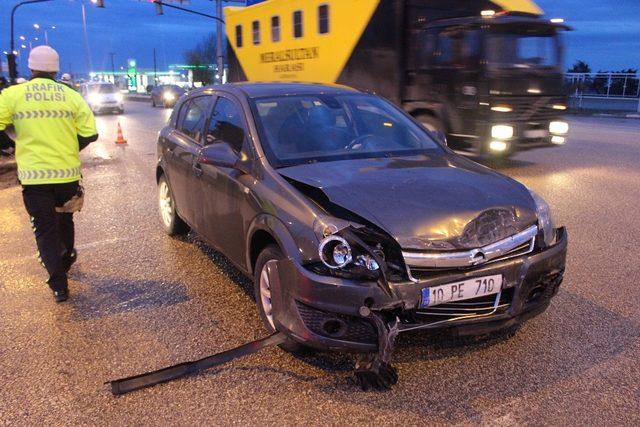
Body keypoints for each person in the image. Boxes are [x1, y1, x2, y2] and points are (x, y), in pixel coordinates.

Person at [0, 46, 98, 302]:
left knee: (44, 230)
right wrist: (69, 146)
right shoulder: (70, 95)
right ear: (55, 67)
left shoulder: (12, 94)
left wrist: (8, 147)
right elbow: (90, 133)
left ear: (31, 66)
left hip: (35, 179)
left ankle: (59, 285)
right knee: (64, 220)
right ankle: (66, 257)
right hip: (66, 176)